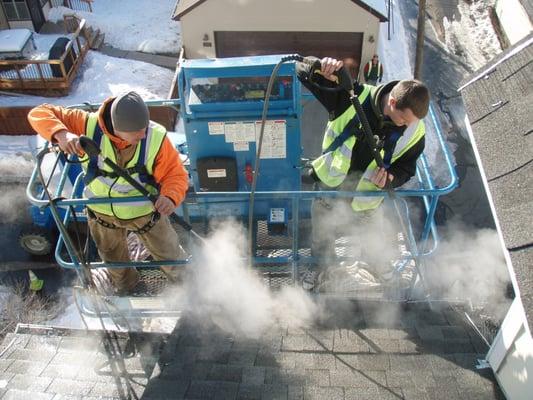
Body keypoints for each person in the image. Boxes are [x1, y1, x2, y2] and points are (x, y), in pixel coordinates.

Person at [28, 91, 189, 294]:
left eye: (144, 128)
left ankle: (185, 289)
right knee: (114, 261)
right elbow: (38, 112)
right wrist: (61, 134)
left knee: (169, 253)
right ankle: (127, 288)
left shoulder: (155, 138)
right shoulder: (87, 125)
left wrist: (169, 196)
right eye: (137, 132)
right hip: (102, 215)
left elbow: (175, 174)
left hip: (145, 212)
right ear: (117, 129)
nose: (143, 134)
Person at [297, 57, 429, 290]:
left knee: (374, 239)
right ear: (392, 102)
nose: (406, 127)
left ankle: (376, 264)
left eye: (411, 123)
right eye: (403, 119)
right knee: (322, 238)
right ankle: (320, 266)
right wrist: (321, 67)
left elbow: (407, 167)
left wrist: (391, 178)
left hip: (368, 198)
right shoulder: (351, 97)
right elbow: (300, 70)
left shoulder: (414, 128)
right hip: (331, 190)